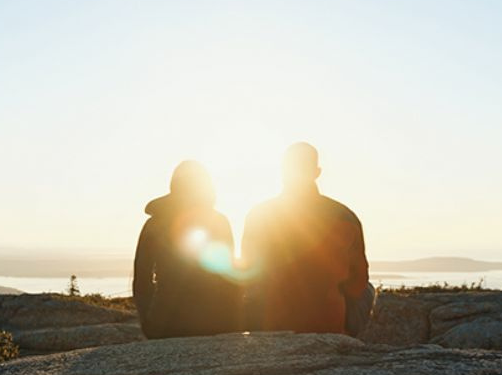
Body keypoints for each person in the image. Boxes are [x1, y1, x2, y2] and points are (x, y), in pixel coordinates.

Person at [241, 143, 372, 334]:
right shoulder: (345, 216)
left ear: (283, 171)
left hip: (273, 321)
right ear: (317, 172)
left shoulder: (259, 215)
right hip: (328, 322)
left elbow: (248, 274)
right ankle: (349, 339)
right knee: (368, 290)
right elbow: (358, 281)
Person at [133, 161, 240, 338]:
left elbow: (141, 280)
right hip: (214, 321)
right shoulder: (218, 221)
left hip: (166, 322)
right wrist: (233, 325)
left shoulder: (154, 224)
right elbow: (230, 278)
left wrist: (149, 321)